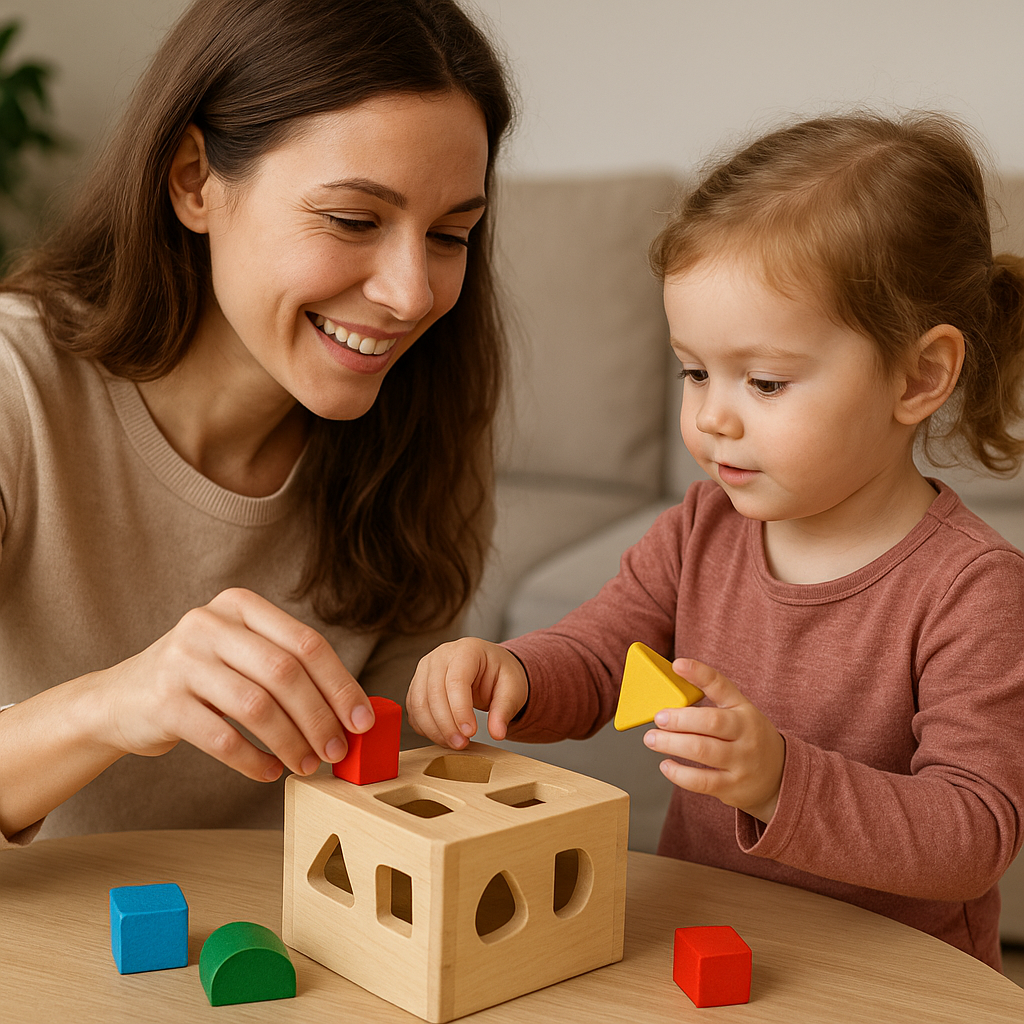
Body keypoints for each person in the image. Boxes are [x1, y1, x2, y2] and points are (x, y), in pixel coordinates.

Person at [407, 111, 1024, 970]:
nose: (712, 416)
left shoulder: (973, 587)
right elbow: (599, 661)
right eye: (694, 371)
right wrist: (511, 670)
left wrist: (780, 780)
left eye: (765, 381)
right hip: (706, 942)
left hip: (890, 976)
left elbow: (973, 834)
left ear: (920, 375)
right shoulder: (701, 530)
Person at [0, 0, 514, 847]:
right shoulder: (17, 392)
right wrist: (118, 702)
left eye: (452, 234)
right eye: (354, 220)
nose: (412, 294)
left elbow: (392, 797)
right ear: (194, 179)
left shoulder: (428, 426)